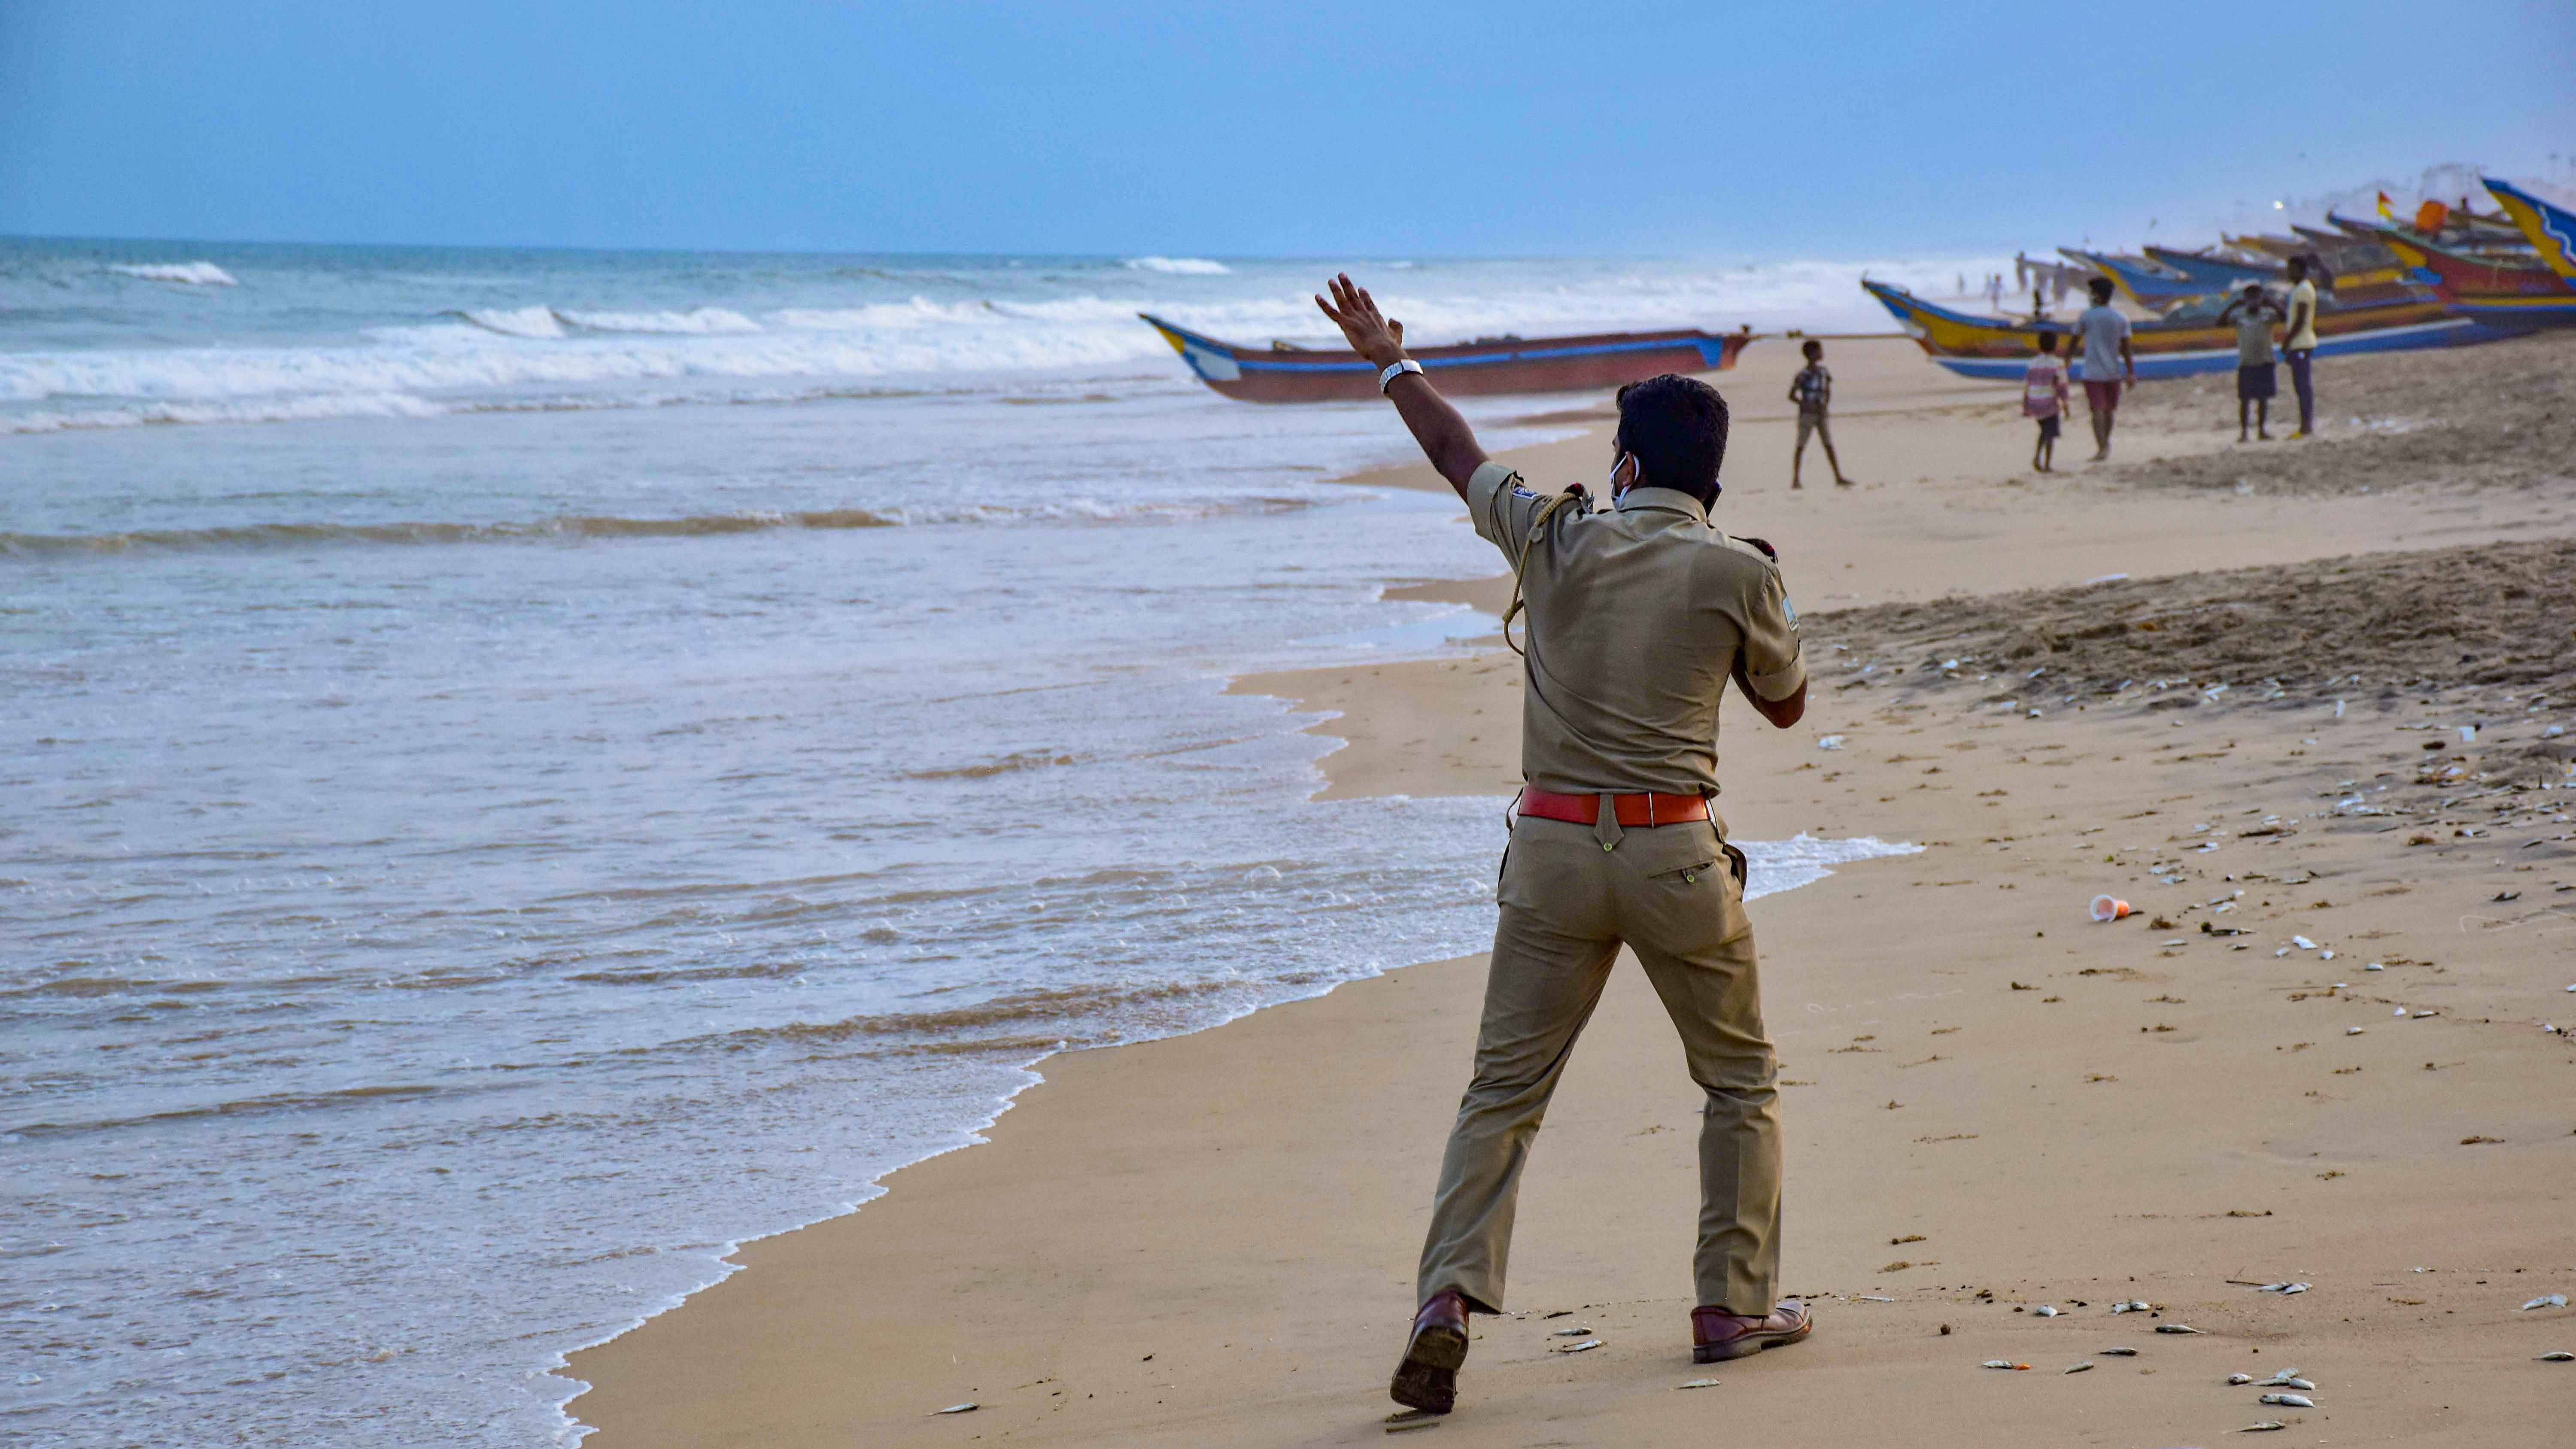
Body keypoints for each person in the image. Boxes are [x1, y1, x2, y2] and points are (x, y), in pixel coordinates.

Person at [1308, 273, 1812, 1417]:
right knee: (1737, 1075)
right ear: (1709, 481)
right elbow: (1784, 703)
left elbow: (1454, 449)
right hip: (1676, 855)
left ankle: (1446, 1300)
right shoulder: (1738, 569)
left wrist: (1388, 356)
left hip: (1549, 855)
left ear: (1626, 467)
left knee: (1503, 1090)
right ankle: (1731, 1304)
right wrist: (1750, 593)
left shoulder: (1550, 532)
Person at [2071, 276, 2136, 461]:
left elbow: (2074, 341)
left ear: (2097, 296)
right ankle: (2106, 443)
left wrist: (2066, 360)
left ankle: (2102, 446)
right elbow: (2126, 349)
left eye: (2092, 293)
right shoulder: (2121, 318)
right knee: (2109, 411)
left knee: (2097, 410)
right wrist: (2131, 373)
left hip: (2092, 372)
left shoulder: (2086, 317)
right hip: (2113, 372)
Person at [2217, 283, 2283, 442]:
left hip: (2265, 361)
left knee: (2263, 399)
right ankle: (2244, 432)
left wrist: (2272, 303)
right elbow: (2220, 323)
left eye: (2257, 298)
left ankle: (2262, 430)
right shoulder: (2240, 317)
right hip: (2246, 363)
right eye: (2250, 298)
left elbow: (2286, 317)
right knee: (2245, 400)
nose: (2254, 302)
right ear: (2245, 300)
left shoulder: (2268, 316)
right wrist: (2233, 306)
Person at [1786, 339, 1850, 488]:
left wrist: (1825, 407)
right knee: (1801, 446)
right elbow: (1792, 395)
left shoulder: (1823, 372)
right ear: (1812, 355)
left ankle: (1838, 477)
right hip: (1807, 415)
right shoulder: (1803, 375)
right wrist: (1805, 404)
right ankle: (1796, 479)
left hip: (1821, 414)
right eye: (1819, 351)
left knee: (1828, 445)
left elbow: (1828, 391)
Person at [2282, 256, 2318, 438]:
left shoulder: (2304, 289)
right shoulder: (2299, 289)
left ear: (2300, 270)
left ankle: (2306, 426)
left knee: (2303, 386)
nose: (2288, 273)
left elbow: (2301, 320)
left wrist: (2287, 342)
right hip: (2299, 344)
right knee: (2300, 386)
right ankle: (2305, 424)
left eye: (2291, 269)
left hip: (2301, 344)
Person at [2023, 331, 2069, 471]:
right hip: (2049, 403)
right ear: (2055, 346)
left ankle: (2039, 457)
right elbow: (2062, 387)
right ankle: (2046, 463)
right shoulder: (2058, 364)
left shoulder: (2032, 363)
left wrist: (2026, 405)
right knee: (2050, 434)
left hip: (2034, 401)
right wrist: (2066, 405)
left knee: (2044, 430)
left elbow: (2027, 385)